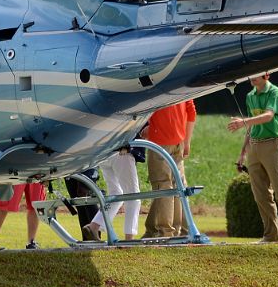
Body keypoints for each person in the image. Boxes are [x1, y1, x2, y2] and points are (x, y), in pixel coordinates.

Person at [227, 72, 278, 244]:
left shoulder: (275, 93)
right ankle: (270, 236)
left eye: (257, 74)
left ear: (266, 75)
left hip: (272, 146)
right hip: (254, 147)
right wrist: (242, 153)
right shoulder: (250, 96)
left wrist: (244, 121)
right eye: (250, 74)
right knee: (260, 195)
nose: (252, 77)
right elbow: (251, 128)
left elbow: (269, 116)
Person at [142, 99, 196, 239]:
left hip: (160, 142)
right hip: (179, 141)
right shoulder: (183, 86)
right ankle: (181, 231)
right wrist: (187, 142)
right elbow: (191, 112)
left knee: (163, 186)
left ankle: (165, 233)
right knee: (179, 186)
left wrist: (147, 127)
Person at [84, 147, 142, 241]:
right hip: (121, 152)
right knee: (133, 195)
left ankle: (94, 225)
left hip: (104, 153)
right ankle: (129, 238)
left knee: (116, 193)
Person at [0, 182, 45, 250]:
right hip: (17, 172)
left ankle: (31, 242)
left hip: (36, 171)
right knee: (4, 200)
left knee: (36, 204)